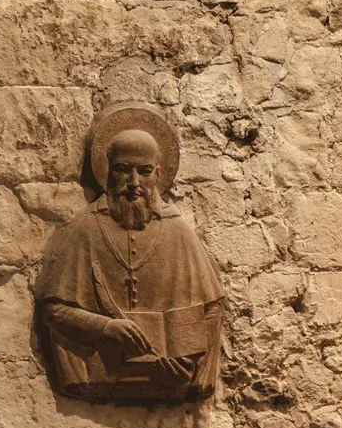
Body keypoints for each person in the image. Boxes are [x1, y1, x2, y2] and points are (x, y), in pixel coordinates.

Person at [35, 115, 223, 402]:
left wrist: (187, 359)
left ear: (158, 175)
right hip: (98, 372)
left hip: (169, 375)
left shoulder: (177, 231)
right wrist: (105, 328)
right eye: (123, 170)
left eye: (144, 171)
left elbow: (210, 310)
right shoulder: (86, 229)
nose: (134, 183)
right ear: (107, 172)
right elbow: (55, 310)